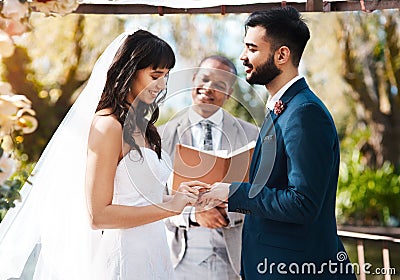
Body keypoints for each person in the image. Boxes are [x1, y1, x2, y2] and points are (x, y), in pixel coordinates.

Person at [0, 30, 204, 280]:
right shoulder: (108, 126)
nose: (162, 85)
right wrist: (169, 208)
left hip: (154, 250)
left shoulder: (144, 127)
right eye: (155, 75)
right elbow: (98, 215)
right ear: (129, 70)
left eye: (166, 76)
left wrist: (180, 195)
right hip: (123, 257)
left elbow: (142, 196)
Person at [200, 7, 357, 280]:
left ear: (282, 55)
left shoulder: (304, 113)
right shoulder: (282, 108)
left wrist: (233, 193)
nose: (242, 57)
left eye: (251, 48)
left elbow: (303, 202)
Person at [159, 55, 258, 280]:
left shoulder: (253, 135)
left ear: (230, 93)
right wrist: (193, 214)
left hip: (233, 260)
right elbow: (151, 199)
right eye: (204, 79)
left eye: (220, 85)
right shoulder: (162, 136)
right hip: (178, 260)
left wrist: (231, 209)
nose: (209, 88)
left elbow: (261, 195)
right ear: (194, 79)